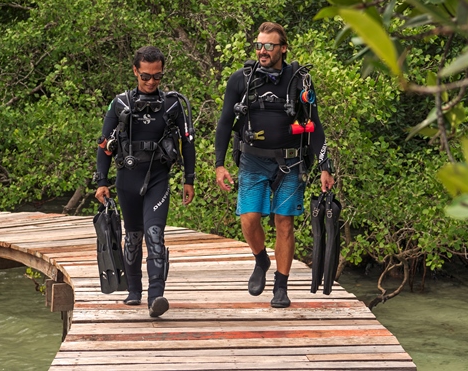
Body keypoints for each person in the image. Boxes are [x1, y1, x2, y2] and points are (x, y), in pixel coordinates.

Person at [215, 22, 335, 308]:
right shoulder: (239, 80)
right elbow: (224, 124)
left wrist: (324, 166)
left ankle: (281, 287)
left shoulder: (300, 81)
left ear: (283, 48)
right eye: (259, 45)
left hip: (290, 162)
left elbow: (314, 126)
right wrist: (219, 165)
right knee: (249, 219)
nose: (262, 51)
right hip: (252, 160)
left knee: (284, 224)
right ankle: (261, 259)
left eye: (269, 45)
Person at [94, 45, 195, 317]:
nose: (151, 82)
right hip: (127, 178)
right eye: (146, 76)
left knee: (155, 235)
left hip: (158, 179)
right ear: (135, 71)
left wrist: (189, 179)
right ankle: (134, 291)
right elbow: (104, 145)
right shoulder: (120, 104)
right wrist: (101, 182)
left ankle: (155, 297)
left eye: (157, 76)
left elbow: (188, 143)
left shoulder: (173, 104)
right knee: (133, 236)